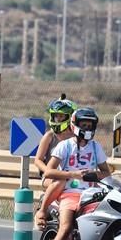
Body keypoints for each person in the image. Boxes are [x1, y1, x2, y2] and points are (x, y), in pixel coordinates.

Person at [42, 107, 111, 240]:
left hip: (92, 194)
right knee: (65, 228)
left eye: (90, 125)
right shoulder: (64, 146)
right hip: (69, 194)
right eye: (84, 124)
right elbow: (48, 171)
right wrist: (72, 175)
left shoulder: (96, 147)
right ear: (75, 125)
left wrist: (94, 173)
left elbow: (106, 172)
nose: (87, 128)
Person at [34, 94, 77, 228]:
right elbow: (38, 160)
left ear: (70, 117)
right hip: (52, 177)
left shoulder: (76, 137)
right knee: (61, 182)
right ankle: (42, 210)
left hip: (73, 175)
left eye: (61, 116)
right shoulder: (49, 136)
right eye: (56, 116)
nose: (57, 119)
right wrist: (48, 171)